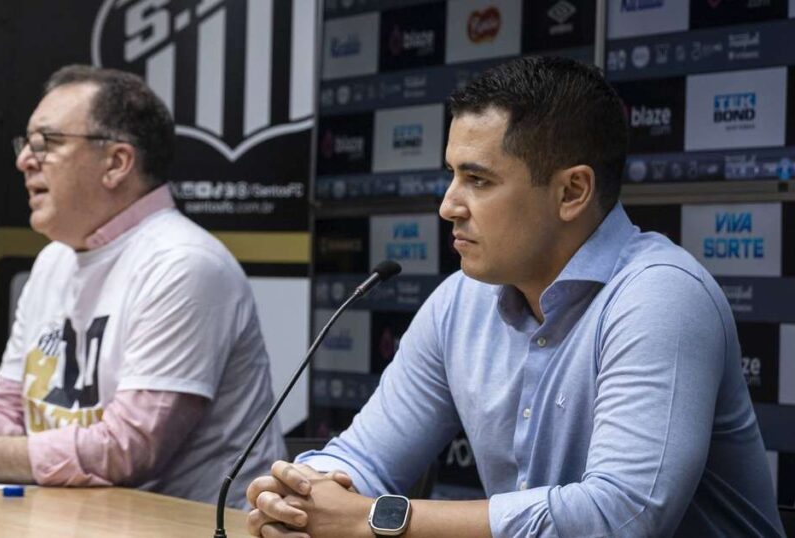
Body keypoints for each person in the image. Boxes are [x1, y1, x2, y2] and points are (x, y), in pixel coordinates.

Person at [245, 57, 784, 537]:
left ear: (572, 192)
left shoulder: (660, 296)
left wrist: (378, 518)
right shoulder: (460, 301)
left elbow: (621, 517)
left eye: (478, 180)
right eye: (452, 175)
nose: (448, 206)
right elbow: (365, 457)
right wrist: (301, 494)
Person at [0, 65, 286, 507]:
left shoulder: (184, 264)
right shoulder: (54, 260)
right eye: (27, 143)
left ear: (116, 163)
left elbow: (127, 448)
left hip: (193, 527)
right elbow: (7, 408)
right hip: (83, 519)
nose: (24, 160)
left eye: (47, 143)